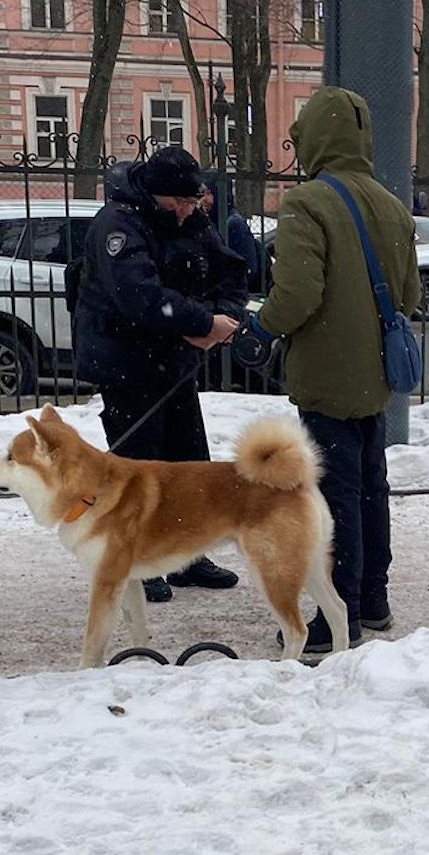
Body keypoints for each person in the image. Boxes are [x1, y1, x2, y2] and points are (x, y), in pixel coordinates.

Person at [242, 87, 420, 653]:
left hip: (325, 375)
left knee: (331, 495)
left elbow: (297, 295)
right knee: (371, 485)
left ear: (313, 139)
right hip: (375, 377)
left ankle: (331, 619)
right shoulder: (392, 205)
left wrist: (261, 328)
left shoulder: (307, 203)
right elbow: (410, 295)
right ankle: (373, 597)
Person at [71, 146, 249, 603]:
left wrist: (222, 318)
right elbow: (140, 297)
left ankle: (187, 555)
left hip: (174, 361)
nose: (189, 211)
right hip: (126, 362)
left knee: (187, 464)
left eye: (194, 202)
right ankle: (134, 560)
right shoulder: (119, 224)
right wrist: (200, 324)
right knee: (136, 468)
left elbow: (230, 270)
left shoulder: (190, 217)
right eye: (180, 203)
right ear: (156, 194)